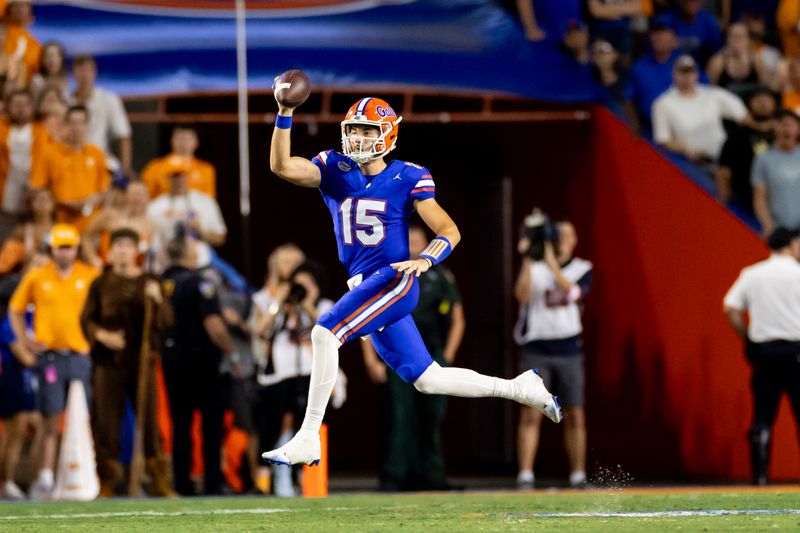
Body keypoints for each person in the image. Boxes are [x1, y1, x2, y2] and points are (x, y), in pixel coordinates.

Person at [262, 88, 561, 468]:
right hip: (363, 285)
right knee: (429, 379)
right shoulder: (334, 169)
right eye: (354, 129)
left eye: (368, 131)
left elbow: (448, 229)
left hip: (392, 279)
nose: (358, 137)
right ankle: (521, 388)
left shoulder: (408, 175)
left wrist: (426, 260)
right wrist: (285, 111)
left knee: (324, 332)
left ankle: (307, 437)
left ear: (387, 135)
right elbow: (282, 166)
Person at [362, 224, 465, 491]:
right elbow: (368, 316)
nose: (414, 243)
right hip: (398, 354)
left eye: (419, 239)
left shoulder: (441, 276)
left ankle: (432, 476)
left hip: (433, 353)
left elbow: (457, 318)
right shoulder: (389, 274)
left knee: (432, 417)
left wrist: (448, 356)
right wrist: (372, 360)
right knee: (399, 416)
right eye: (409, 239)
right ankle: (394, 476)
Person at [80, 228, 175, 497]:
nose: (122, 249)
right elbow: (86, 319)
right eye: (117, 245)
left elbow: (167, 320)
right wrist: (102, 335)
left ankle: (158, 480)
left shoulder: (149, 281)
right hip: (108, 363)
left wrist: (157, 300)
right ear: (110, 252)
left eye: (127, 245)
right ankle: (107, 480)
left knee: (149, 420)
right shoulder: (100, 283)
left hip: (142, 361)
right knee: (106, 421)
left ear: (136, 251)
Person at [7, 223, 99, 500]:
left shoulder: (90, 274)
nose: (65, 252)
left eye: (69, 247)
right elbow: (15, 309)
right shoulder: (37, 276)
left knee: (84, 418)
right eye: (60, 247)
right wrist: (25, 340)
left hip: (81, 355)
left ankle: (86, 475)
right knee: (49, 420)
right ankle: (44, 478)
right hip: (50, 357)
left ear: (76, 248)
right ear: (52, 248)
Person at [252, 260, 345, 496]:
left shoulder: (325, 305)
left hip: (309, 374)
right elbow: (260, 330)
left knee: (304, 424)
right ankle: (270, 480)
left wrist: (308, 305)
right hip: (280, 375)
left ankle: (303, 480)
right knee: (274, 425)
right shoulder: (283, 306)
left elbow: (330, 333)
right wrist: (280, 303)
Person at [513, 217, 592, 489]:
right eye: (557, 235)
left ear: (574, 240)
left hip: (568, 347)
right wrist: (528, 258)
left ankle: (578, 475)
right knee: (531, 412)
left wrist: (550, 263)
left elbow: (571, 293)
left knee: (575, 413)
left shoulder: (582, 268)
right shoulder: (534, 267)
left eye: (567, 235)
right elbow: (521, 296)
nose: (562, 240)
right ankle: (525, 475)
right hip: (537, 346)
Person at [160, 234, 241, 495]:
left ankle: (181, 483)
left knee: (180, 425)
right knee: (211, 424)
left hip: (171, 362)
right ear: (188, 254)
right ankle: (212, 483)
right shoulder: (199, 282)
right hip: (202, 362)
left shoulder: (160, 284)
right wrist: (232, 353)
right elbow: (213, 324)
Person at [723, 227, 800, 485]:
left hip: (765, 353)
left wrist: (748, 338)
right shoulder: (798, 273)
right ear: (791, 245)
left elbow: (731, 308)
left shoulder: (752, 274)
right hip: (796, 351)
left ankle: (760, 478)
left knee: (763, 416)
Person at [652, 54, 747, 164]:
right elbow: (663, 139)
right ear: (674, 74)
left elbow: (742, 114)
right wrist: (686, 151)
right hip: (692, 164)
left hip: (723, 158)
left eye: (690, 72)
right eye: (682, 72)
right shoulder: (663, 103)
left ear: (696, 74)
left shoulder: (712, 94)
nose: (686, 76)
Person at [30, 105, 109, 231]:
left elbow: (104, 190)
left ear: (88, 126)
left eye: (81, 123)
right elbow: (38, 188)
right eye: (72, 123)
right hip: (58, 221)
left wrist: (93, 200)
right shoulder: (49, 153)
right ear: (64, 125)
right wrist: (61, 202)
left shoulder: (97, 154)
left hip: (91, 223)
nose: (76, 128)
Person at [715, 87, 776, 212]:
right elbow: (723, 170)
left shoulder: (787, 134)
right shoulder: (738, 136)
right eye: (758, 100)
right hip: (752, 199)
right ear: (748, 105)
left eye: (767, 99)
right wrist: (724, 199)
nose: (763, 104)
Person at [69, 55, 132, 175]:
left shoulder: (109, 99)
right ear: (73, 73)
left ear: (95, 72)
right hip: (70, 163)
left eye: (88, 70)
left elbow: (124, 136)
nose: (84, 75)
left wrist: (125, 170)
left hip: (100, 163)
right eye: (80, 70)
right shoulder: (65, 100)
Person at [146, 158, 226, 250]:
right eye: (175, 176)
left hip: (201, 258)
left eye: (183, 175)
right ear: (167, 178)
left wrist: (200, 232)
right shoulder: (155, 206)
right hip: (168, 257)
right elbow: (150, 241)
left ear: (188, 176)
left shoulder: (206, 201)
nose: (180, 180)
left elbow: (221, 237)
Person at [0, 89, 49, 240]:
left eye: (25, 104)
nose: (21, 109)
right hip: (6, 201)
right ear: (8, 107)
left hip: (36, 201)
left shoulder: (44, 129)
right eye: (16, 104)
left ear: (33, 106)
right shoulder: (2, 129)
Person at [625, 15, 682, 135]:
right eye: (655, 33)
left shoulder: (685, 64)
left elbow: (702, 93)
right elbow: (629, 99)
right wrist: (634, 126)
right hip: (649, 132)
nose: (658, 37)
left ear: (675, 39)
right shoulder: (639, 66)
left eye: (664, 33)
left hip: (680, 130)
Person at [81, 180, 154, 267]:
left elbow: (146, 255)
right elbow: (86, 236)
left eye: (141, 194)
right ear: (126, 195)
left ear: (147, 198)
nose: (137, 198)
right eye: (134, 194)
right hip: (107, 269)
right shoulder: (110, 215)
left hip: (132, 273)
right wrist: (93, 259)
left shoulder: (148, 225)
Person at [752, 109, 800, 237]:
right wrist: (768, 225)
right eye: (782, 124)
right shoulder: (764, 159)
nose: (787, 130)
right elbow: (759, 197)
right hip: (780, 229)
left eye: (791, 125)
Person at [141, 126, 217, 199]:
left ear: (196, 141)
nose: (183, 142)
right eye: (179, 138)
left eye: (188, 138)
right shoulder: (155, 167)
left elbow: (209, 200)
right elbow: (145, 197)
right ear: (171, 140)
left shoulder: (206, 169)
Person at [706, 23, 770, 99]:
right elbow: (708, 91)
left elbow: (766, 87)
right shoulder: (717, 62)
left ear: (748, 40)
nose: (737, 40)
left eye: (740, 37)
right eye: (733, 36)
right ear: (727, 40)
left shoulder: (756, 60)